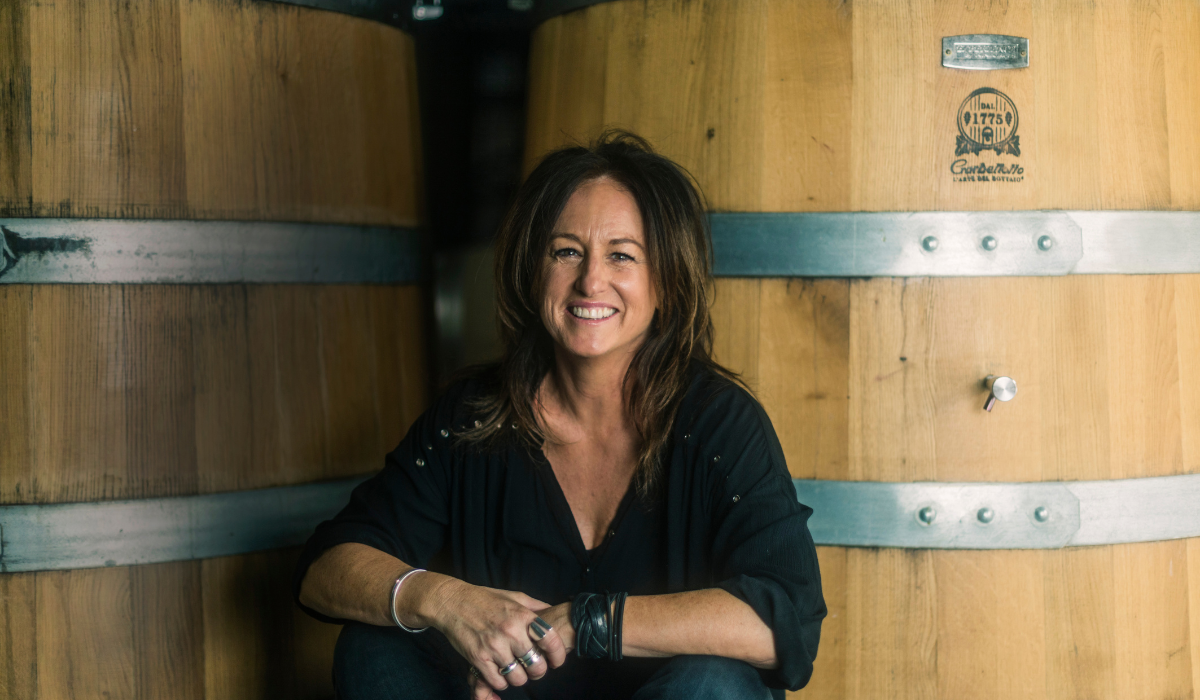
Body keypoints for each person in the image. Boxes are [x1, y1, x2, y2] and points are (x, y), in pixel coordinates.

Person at [293, 131, 825, 700]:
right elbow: (327, 567)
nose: (591, 281)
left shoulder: (720, 424)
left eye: (622, 255)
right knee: (374, 646)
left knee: (715, 684)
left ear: (666, 281)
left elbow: (784, 619)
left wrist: (588, 621)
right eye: (567, 251)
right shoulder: (474, 417)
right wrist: (448, 603)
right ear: (534, 269)